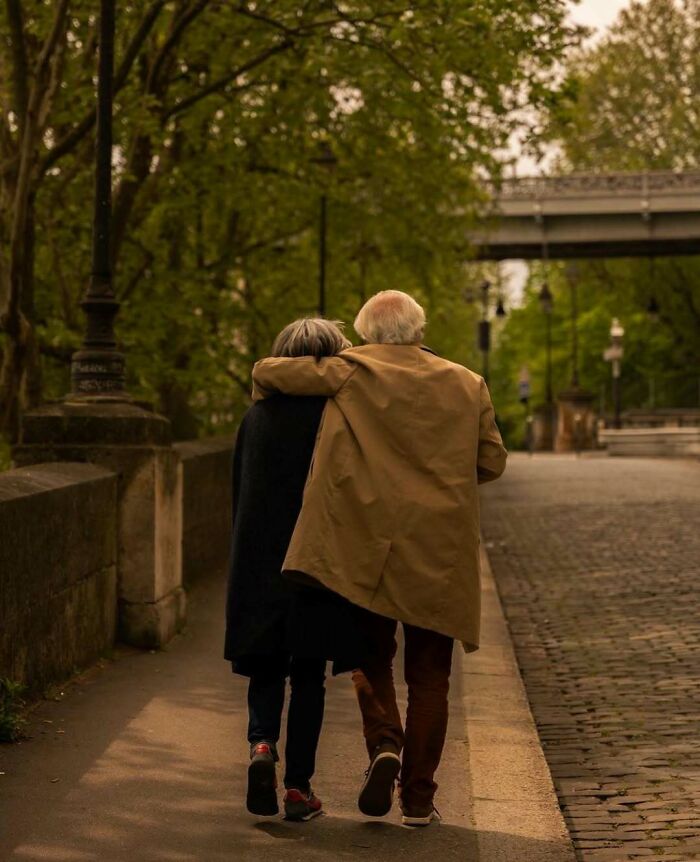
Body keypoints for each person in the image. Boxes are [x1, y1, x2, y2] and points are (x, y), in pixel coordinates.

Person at [251, 290, 507, 827]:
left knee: (372, 658)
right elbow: (491, 460)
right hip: (438, 547)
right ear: (419, 329)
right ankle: (418, 800)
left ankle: (385, 742)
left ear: (366, 332)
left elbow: (270, 372)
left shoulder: (349, 370)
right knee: (432, 675)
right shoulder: (467, 382)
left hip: (369, 545)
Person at [224, 318, 366, 822]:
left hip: (260, 559)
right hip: (316, 563)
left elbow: (239, 495)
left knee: (266, 664)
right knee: (308, 676)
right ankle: (298, 790)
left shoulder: (255, 416)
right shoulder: (337, 415)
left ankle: (261, 746)